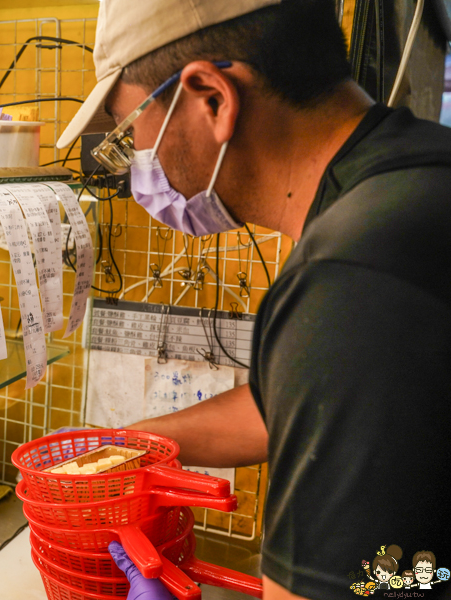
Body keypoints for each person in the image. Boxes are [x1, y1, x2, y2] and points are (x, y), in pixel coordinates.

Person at [56, 1, 451, 599]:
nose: (137, 158)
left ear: (211, 98)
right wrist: (129, 446)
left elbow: (361, 586)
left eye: (130, 128)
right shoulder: (409, 176)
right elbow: (285, 407)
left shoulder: (352, 278)